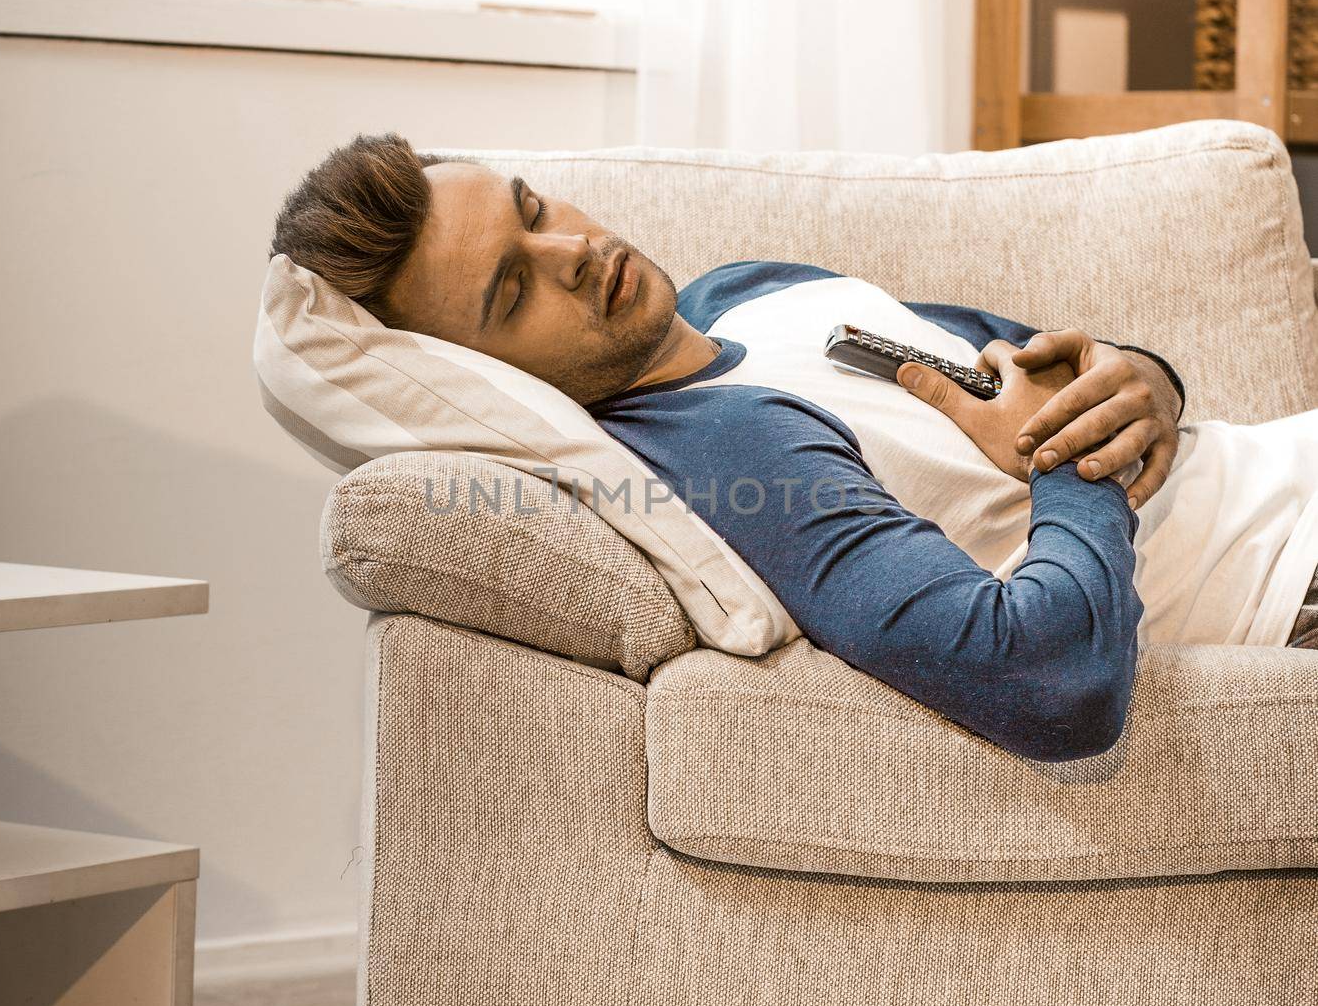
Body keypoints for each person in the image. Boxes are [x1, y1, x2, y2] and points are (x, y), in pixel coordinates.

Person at [270, 134, 1318, 761]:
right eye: (512, 288)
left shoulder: (746, 290)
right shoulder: (727, 455)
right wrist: (1061, 457)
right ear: (486, 376)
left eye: (534, 212)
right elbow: (1046, 679)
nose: (573, 253)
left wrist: (1146, 381)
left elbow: (1047, 360)